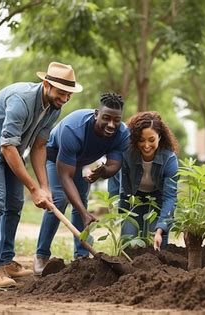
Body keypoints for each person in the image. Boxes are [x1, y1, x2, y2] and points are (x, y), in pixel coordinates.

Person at [0, 62, 82, 287]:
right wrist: (33, 188)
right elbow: (6, 147)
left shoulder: (54, 107)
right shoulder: (21, 101)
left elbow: (40, 146)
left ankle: (7, 260)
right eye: (61, 92)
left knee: (14, 202)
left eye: (68, 94)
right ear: (46, 85)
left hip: (13, 147)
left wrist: (44, 186)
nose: (65, 98)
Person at [33, 92, 130, 275]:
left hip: (80, 161)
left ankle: (82, 257)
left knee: (81, 202)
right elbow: (65, 176)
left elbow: (114, 164)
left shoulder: (122, 133)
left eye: (116, 120)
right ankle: (41, 255)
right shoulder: (74, 128)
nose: (111, 125)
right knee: (60, 200)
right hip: (56, 156)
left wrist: (103, 172)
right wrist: (85, 214)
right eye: (106, 118)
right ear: (96, 114)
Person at [109, 111, 179, 250]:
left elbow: (170, 197)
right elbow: (124, 190)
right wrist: (122, 216)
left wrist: (161, 229)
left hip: (158, 198)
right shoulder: (128, 154)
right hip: (134, 198)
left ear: (159, 137)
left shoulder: (169, 159)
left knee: (157, 240)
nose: (146, 145)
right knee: (128, 241)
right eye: (141, 140)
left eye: (151, 140)